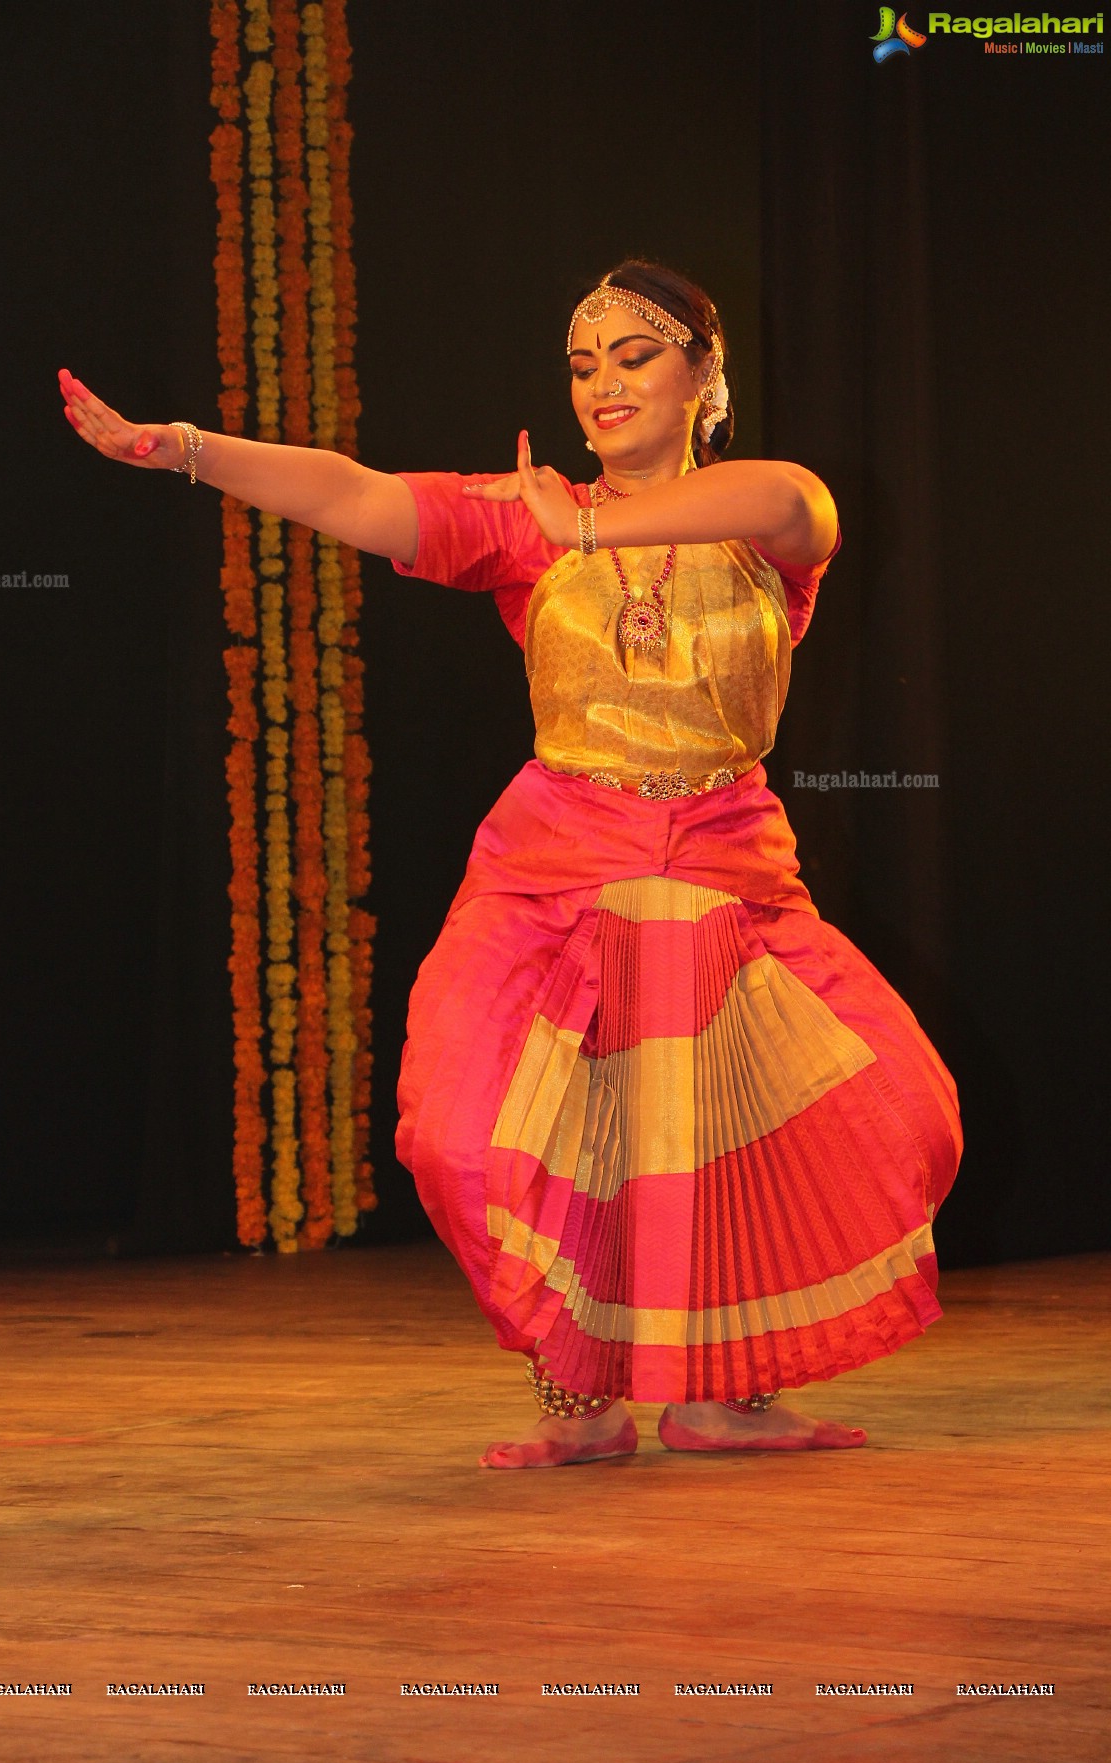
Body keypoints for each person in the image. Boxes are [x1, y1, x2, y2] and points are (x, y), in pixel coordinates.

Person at [59, 258, 962, 1472]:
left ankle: (721, 1392)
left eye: (635, 356)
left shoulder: (767, 514)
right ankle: (576, 1389)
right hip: (554, 863)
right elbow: (359, 493)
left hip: (726, 863)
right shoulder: (523, 519)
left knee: (882, 1117)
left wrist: (585, 521)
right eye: (583, 364)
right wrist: (186, 450)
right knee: (459, 1135)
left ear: (707, 372)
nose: (601, 385)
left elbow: (782, 498)